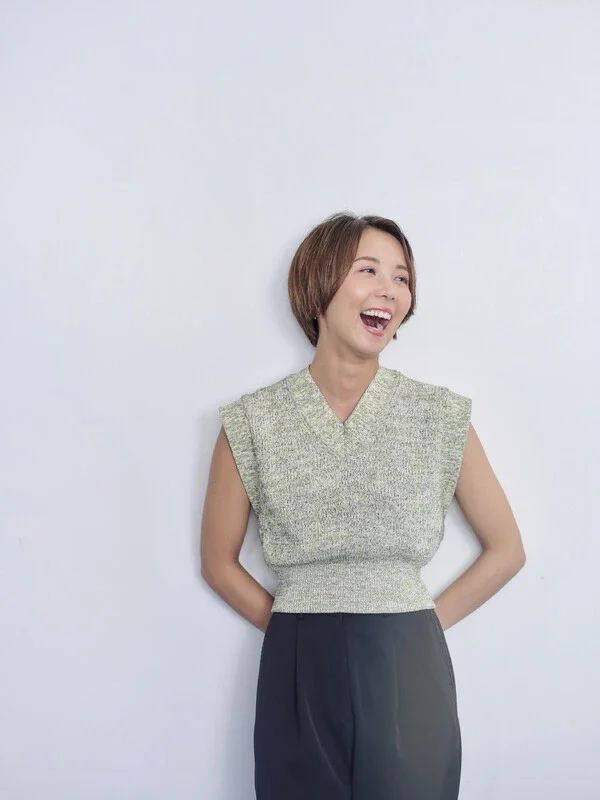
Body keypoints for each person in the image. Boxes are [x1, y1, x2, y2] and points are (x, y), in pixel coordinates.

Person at [201, 211, 526, 800]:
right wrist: (296, 626)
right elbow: (219, 564)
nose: (389, 290)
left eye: (402, 278)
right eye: (368, 270)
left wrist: (417, 623)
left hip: (409, 659)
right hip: (297, 660)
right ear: (318, 284)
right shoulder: (252, 421)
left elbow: (507, 549)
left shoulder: (439, 416)